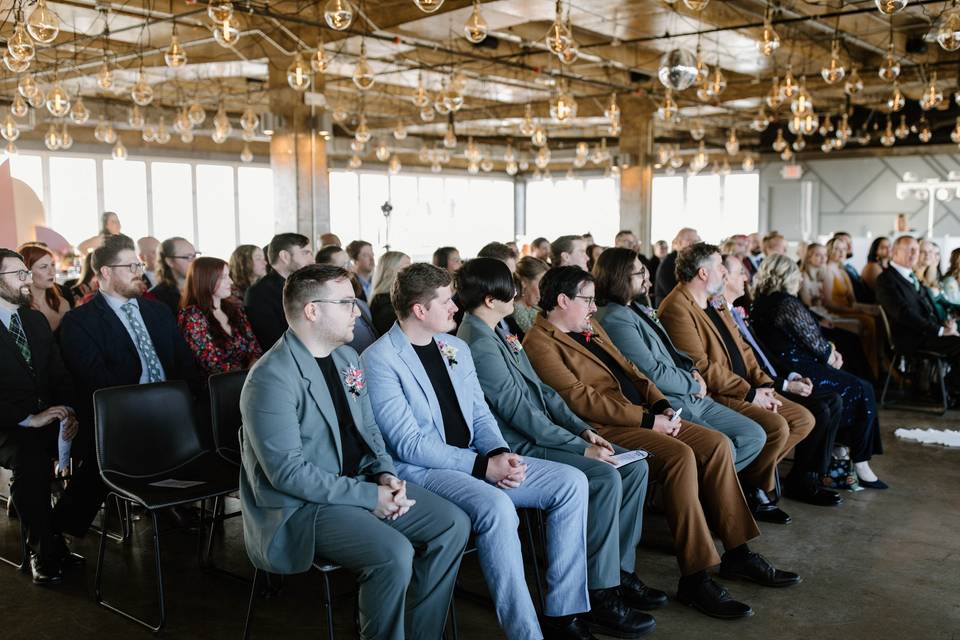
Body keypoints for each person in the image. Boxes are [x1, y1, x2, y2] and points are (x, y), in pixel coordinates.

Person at [523, 266, 800, 621]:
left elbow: (632, 370)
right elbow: (580, 400)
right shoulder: (539, 342)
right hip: (606, 428)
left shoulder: (587, 327)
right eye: (587, 300)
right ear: (562, 300)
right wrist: (648, 420)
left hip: (642, 413)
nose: (594, 307)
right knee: (681, 456)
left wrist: (660, 403)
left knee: (716, 445)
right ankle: (696, 577)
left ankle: (738, 553)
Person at [362, 263, 608, 640]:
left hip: (478, 458)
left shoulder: (454, 346)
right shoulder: (380, 360)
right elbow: (408, 444)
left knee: (571, 482)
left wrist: (499, 452)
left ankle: (563, 613)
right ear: (420, 310)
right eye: (446, 301)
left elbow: (480, 412)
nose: (456, 308)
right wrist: (482, 466)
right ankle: (525, 632)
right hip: (425, 470)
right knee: (497, 507)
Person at [239, 264, 470, 640]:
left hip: (358, 483)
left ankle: (420, 632)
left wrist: (384, 474)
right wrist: (369, 496)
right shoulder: (271, 377)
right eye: (346, 302)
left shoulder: (347, 358)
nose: (358, 311)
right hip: (302, 507)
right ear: (312, 310)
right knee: (393, 553)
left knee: (452, 523)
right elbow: (288, 474)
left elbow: (369, 430)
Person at [456, 258, 663, 630]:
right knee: (603, 476)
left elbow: (544, 393)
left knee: (634, 468)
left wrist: (583, 430)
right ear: (490, 299)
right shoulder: (476, 341)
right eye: (509, 288)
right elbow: (519, 413)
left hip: (545, 431)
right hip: (521, 444)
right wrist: (578, 446)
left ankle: (617, 570)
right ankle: (599, 593)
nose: (518, 293)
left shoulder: (500, 328)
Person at [657, 243, 815, 524]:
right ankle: (746, 491)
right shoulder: (677, 307)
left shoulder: (715, 301)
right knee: (777, 426)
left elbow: (743, 349)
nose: (725, 274)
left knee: (803, 419)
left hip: (745, 385)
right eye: (721, 267)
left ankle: (746, 485)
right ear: (703, 273)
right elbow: (701, 367)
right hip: (718, 393)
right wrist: (750, 392)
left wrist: (765, 383)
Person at [591, 249, 766, 476]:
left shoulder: (634, 306)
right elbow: (651, 372)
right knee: (723, 447)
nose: (648, 277)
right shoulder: (615, 317)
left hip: (692, 390)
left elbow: (672, 349)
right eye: (640, 272)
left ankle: (708, 485)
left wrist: (693, 370)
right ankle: (711, 491)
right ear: (620, 276)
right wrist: (694, 384)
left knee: (754, 435)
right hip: (672, 399)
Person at [0, 248, 106, 585]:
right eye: (18, 274)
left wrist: (69, 411)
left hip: (49, 416)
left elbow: (59, 373)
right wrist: (29, 419)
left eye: (26, 273)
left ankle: (59, 526)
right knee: (30, 461)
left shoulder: (33, 319)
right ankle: (42, 549)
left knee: (102, 447)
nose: (27, 280)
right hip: (8, 425)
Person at [749, 254, 885, 490]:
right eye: (796, 275)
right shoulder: (785, 302)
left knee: (857, 386)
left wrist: (828, 351)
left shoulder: (761, 301)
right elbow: (815, 341)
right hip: (797, 366)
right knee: (862, 388)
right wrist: (831, 353)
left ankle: (843, 449)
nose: (800, 279)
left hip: (789, 363)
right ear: (788, 277)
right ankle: (860, 460)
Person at [721, 254, 847, 503]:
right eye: (740, 273)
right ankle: (769, 481)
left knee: (832, 400)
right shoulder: (724, 312)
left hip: (772, 376)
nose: (747, 276)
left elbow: (761, 354)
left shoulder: (734, 311)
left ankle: (811, 475)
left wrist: (791, 375)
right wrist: (783, 384)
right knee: (820, 408)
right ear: (723, 277)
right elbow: (743, 367)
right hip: (754, 386)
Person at [876, 235, 960, 387]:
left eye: (916, 249)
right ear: (894, 252)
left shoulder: (911, 277)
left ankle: (946, 388)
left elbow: (929, 306)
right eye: (910, 249)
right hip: (910, 337)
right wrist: (939, 330)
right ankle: (948, 389)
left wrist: (946, 325)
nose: (915, 253)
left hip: (926, 333)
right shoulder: (886, 279)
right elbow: (903, 313)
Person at [178, 257, 262, 377]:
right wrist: (248, 372)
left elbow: (255, 348)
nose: (231, 281)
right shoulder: (192, 315)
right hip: (219, 388)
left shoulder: (235, 309)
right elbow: (212, 364)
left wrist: (255, 365)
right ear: (206, 280)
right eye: (224, 277)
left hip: (251, 378)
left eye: (229, 276)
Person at [821, 235, 881, 377]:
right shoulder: (827, 272)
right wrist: (854, 310)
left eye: (843, 249)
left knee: (875, 319)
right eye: (837, 249)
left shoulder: (843, 272)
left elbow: (853, 301)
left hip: (848, 310)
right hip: (835, 312)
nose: (841, 252)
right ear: (829, 251)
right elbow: (828, 303)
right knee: (868, 322)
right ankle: (868, 368)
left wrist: (867, 308)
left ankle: (875, 364)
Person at [245, 233, 314, 350]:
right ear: (285, 256)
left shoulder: (306, 285)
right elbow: (273, 341)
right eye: (305, 253)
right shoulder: (259, 293)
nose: (312, 260)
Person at [315, 245, 379, 354]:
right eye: (344, 265)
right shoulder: (324, 308)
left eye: (349, 263)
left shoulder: (360, 303)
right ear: (325, 269)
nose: (350, 269)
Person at [18, 244, 71, 332]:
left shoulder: (63, 303)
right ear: (26, 272)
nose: (52, 272)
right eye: (44, 267)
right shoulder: (16, 310)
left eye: (53, 265)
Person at [150, 237, 199, 316]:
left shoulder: (202, 289)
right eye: (188, 257)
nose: (194, 262)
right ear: (169, 262)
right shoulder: (156, 297)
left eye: (194, 256)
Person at [653, 227, 700, 307]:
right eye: (690, 241)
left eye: (697, 242)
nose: (694, 245)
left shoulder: (687, 260)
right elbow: (678, 295)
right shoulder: (671, 263)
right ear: (679, 243)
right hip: (670, 311)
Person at [369, 251, 412, 335]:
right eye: (407, 268)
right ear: (390, 271)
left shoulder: (388, 298)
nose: (412, 272)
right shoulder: (385, 304)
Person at [916, 240, 959, 322]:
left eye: (930, 251)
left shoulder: (932, 278)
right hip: (933, 326)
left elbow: (946, 303)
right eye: (923, 251)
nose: (927, 255)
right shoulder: (913, 278)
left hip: (946, 322)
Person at [513, 256, 549, 335]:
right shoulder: (516, 310)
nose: (545, 290)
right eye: (542, 284)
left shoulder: (534, 307)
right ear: (524, 282)